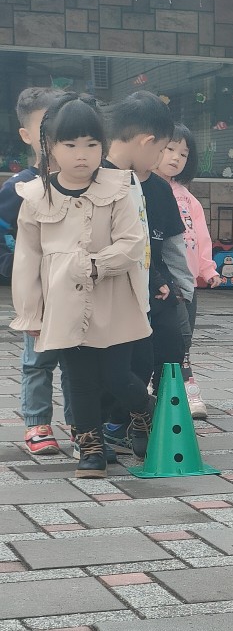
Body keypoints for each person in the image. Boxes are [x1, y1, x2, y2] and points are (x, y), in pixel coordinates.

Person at [9, 93, 152, 479]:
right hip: (64, 306)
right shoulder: (35, 196)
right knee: (79, 380)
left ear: (102, 147)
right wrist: (30, 313)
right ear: (50, 147)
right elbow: (27, 260)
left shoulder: (118, 187)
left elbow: (132, 242)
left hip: (114, 300)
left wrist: (95, 265)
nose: (81, 155)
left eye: (91, 145)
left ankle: (145, 409)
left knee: (116, 376)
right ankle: (91, 446)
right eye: (70, 145)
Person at [100, 91, 188, 457]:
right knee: (106, 368)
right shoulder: (98, 180)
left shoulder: (149, 186)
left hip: (146, 291)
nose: (164, 158)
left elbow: (156, 246)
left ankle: (141, 419)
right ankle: (99, 428)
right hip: (106, 293)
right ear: (147, 141)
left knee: (155, 352)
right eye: (163, 149)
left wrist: (169, 285)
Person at [0, 87, 74, 456]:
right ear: (26, 135)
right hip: (39, 291)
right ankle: (37, 423)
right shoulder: (19, 187)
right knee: (38, 361)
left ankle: (81, 422)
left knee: (78, 361)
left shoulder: (86, 182)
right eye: (44, 127)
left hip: (78, 286)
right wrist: (10, 263)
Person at [155, 124, 221, 420]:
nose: (175, 158)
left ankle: (184, 389)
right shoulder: (146, 189)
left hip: (187, 283)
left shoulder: (187, 198)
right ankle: (173, 387)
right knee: (168, 339)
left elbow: (201, 237)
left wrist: (207, 268)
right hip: (160, 280)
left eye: (183, 154)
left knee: (184, 341)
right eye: (170, 149)